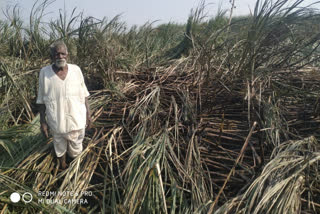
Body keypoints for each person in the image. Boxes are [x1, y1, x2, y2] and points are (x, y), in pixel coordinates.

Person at [36, 41, 91, 169]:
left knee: (76, 147)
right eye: (56, 54)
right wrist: (43, 122)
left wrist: (89, 114)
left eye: (63, 54)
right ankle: (62, 165)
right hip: (57, 121)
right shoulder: (44, 73)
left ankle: (74, 167)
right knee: (59, 146)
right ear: (52, 56)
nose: (60, 57)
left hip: (77, 118)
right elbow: (41, 99)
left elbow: (84, 94)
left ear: (67, 55)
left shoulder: (76, 70)